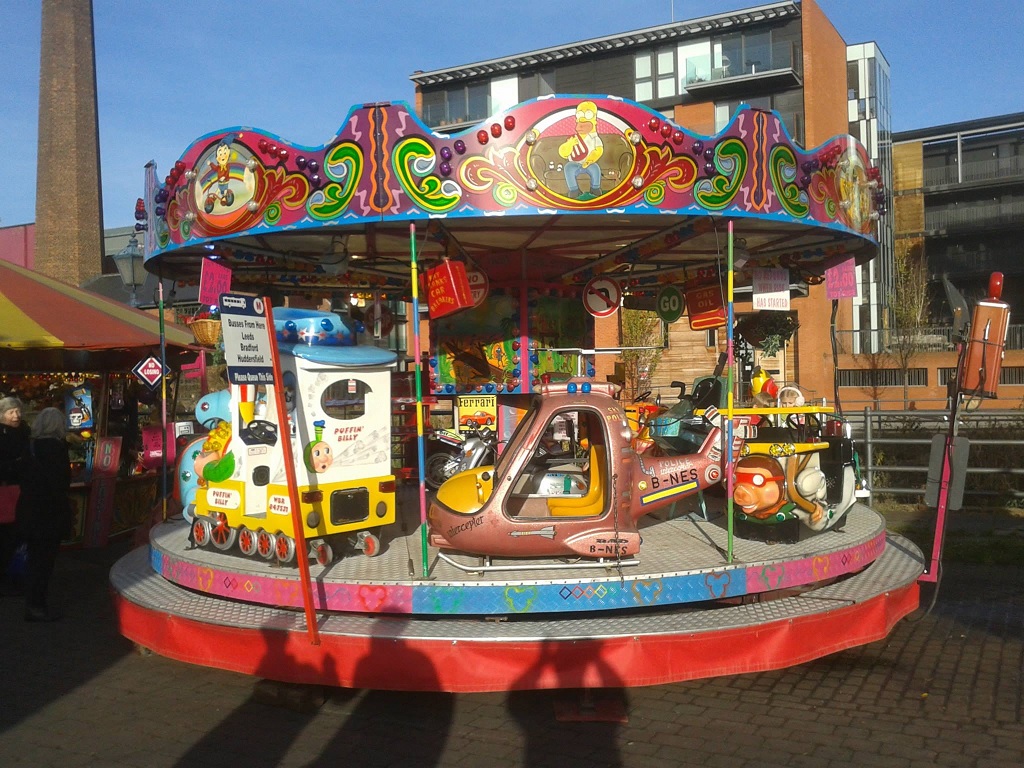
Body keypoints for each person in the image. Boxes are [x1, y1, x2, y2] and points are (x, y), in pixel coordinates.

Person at [16, 407, 73, 622]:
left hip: (29, 508)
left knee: (34, 558)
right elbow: (63, 482)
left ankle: (32, 601)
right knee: (45, 560)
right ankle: (37, 605)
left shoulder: (30, 447)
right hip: (50, 511)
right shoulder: (57, 449)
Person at [0, 396, 30, 595]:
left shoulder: (24, 432)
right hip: (5, 491)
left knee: (14, 537)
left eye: (18, 411)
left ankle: (13, 575)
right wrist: (15, 465)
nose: (16, 415)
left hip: (19, 491)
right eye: (11, 412)